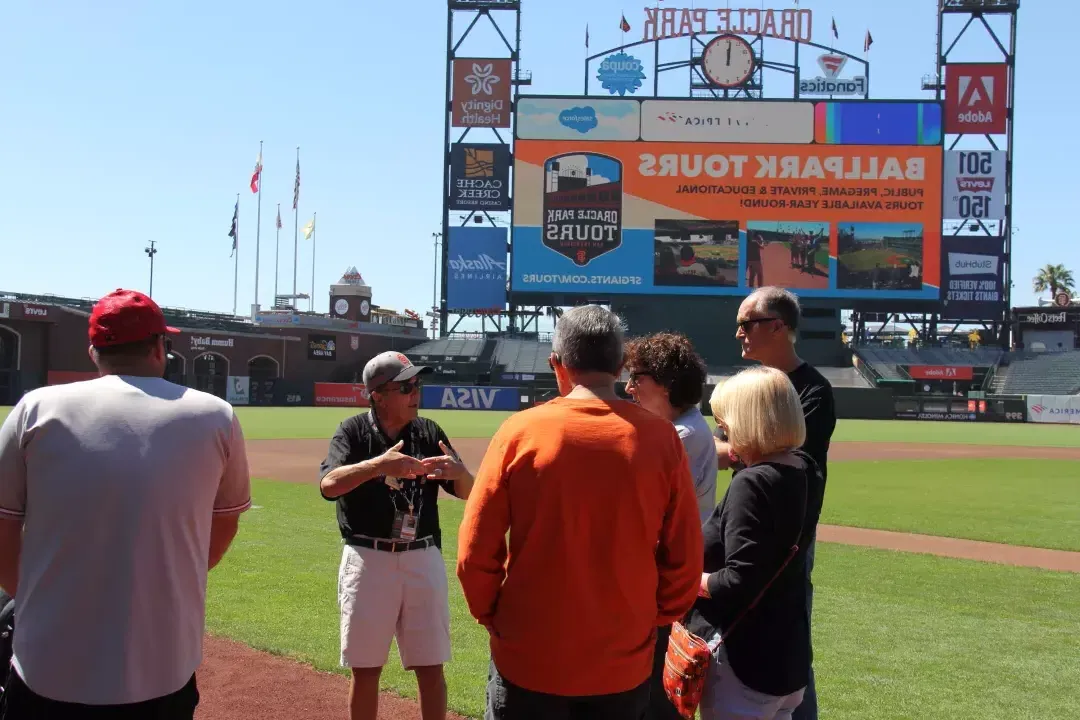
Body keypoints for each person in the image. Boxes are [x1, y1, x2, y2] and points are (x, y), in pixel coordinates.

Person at [0, 288, 252, 719]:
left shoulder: (34, 408)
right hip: (163, 667)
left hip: (47, 666)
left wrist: (37, 598)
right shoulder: (217, 415)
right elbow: (224, 527)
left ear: (94, 351)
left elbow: (3, 531)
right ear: (160, 347)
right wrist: (161, 578)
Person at [456, 305, 704, 720]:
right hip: (622, 664)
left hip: (529, 657)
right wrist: (649, 616)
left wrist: (493, 615)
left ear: (558, 364)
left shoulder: (520, 432)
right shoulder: (661, 439)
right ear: (623, 364)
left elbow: (475, 550)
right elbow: (685, 556)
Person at [318, 351, 474, 720]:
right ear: (377, 395)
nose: (415, 392)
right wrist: (377, 466)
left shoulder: (429, 432)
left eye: (417, 384)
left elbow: (469, 491)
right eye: (405, 387)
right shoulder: (353, 431)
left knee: (431, 666)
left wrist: (458, 471)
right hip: (368, 557)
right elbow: (328, 485)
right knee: (367, 668)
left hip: (422, 556)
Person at [713, 287, 836, 720]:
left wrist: (688, 445)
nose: (739, 334)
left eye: (747, 324)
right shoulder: (759, 386)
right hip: (756, 519)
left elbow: (757, 453)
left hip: (791, 533)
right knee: (760, 626)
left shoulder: (812, 390)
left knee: (785, 629)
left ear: (778, 327)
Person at [690, 366, 825, 720]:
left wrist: (689, 580)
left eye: (725, 421)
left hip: (746, 662)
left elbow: (738, 581)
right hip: (788, 654)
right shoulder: (804, 468)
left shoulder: (753, 483)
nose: (723, 430)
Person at [623, 331, 718, 720]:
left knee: (652, 694)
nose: (629, 387)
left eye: (637, 378)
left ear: (664, 383)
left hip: (664, 579)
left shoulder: (679, 435)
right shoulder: (686, 428)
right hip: (670, 574)